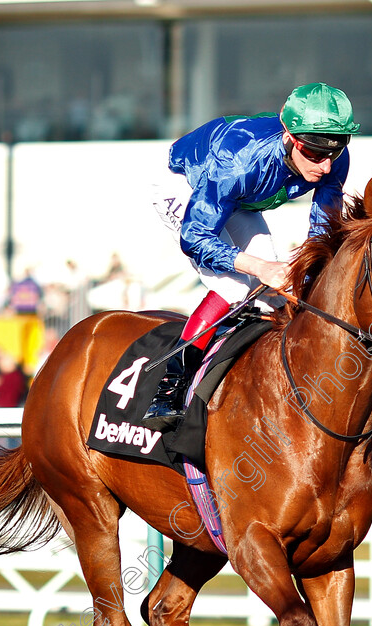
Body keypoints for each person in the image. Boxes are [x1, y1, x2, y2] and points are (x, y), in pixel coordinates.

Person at [143, 82, 360, 430]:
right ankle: (170, 386)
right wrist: (260, 267)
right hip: (185, 183)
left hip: (240, 199)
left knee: (275, 293)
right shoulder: (238, 162)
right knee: (234, 286)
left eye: (333, 153)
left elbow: (322, 232)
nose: (324, 166)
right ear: (290, 137)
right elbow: (194, 237)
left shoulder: (333, 160)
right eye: (315, 154)